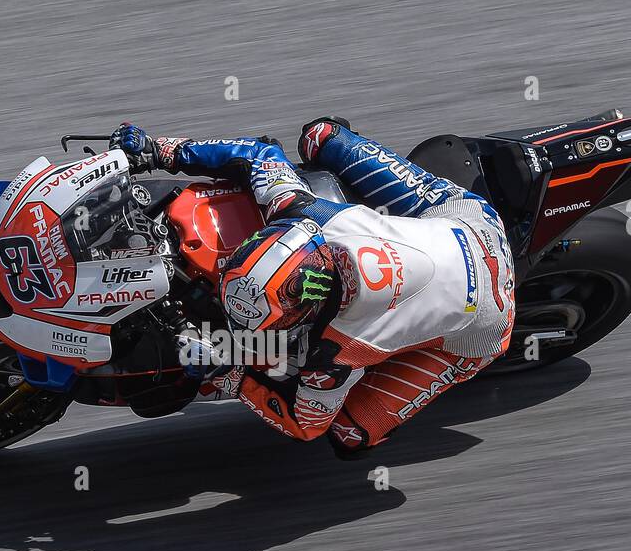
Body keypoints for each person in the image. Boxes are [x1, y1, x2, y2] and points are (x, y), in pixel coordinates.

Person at [110, 118, 516, 457]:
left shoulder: (338, 351)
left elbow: (306, 425)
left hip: (485, 323)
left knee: (349, 436)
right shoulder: (308, 213)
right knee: (320, 135)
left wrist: (232, 372)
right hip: (466, 220)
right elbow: (258, 154)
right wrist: (160, 150)